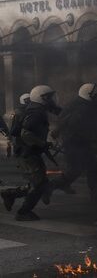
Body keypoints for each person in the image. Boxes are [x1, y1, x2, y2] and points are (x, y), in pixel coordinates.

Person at [1, 85, 61, 221]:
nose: (52, 99)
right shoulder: (36, 113)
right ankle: (23, 212)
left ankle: (11, 194)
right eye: (49, 97)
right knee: (40, 184)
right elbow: (25, 133)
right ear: (43, 98)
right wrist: (43, 143)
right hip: (27, 154)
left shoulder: (35, 109)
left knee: (39, 182)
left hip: (28, 153)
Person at [44, 83, 97, 200]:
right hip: (76, 142)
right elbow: (77, 127)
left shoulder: (84, 104)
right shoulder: (82, 108)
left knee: (83, 169)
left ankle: (95, 193)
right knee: (81, 169)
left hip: (79, 142)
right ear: (88, 95)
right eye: (96, 94)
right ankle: (49, 187)